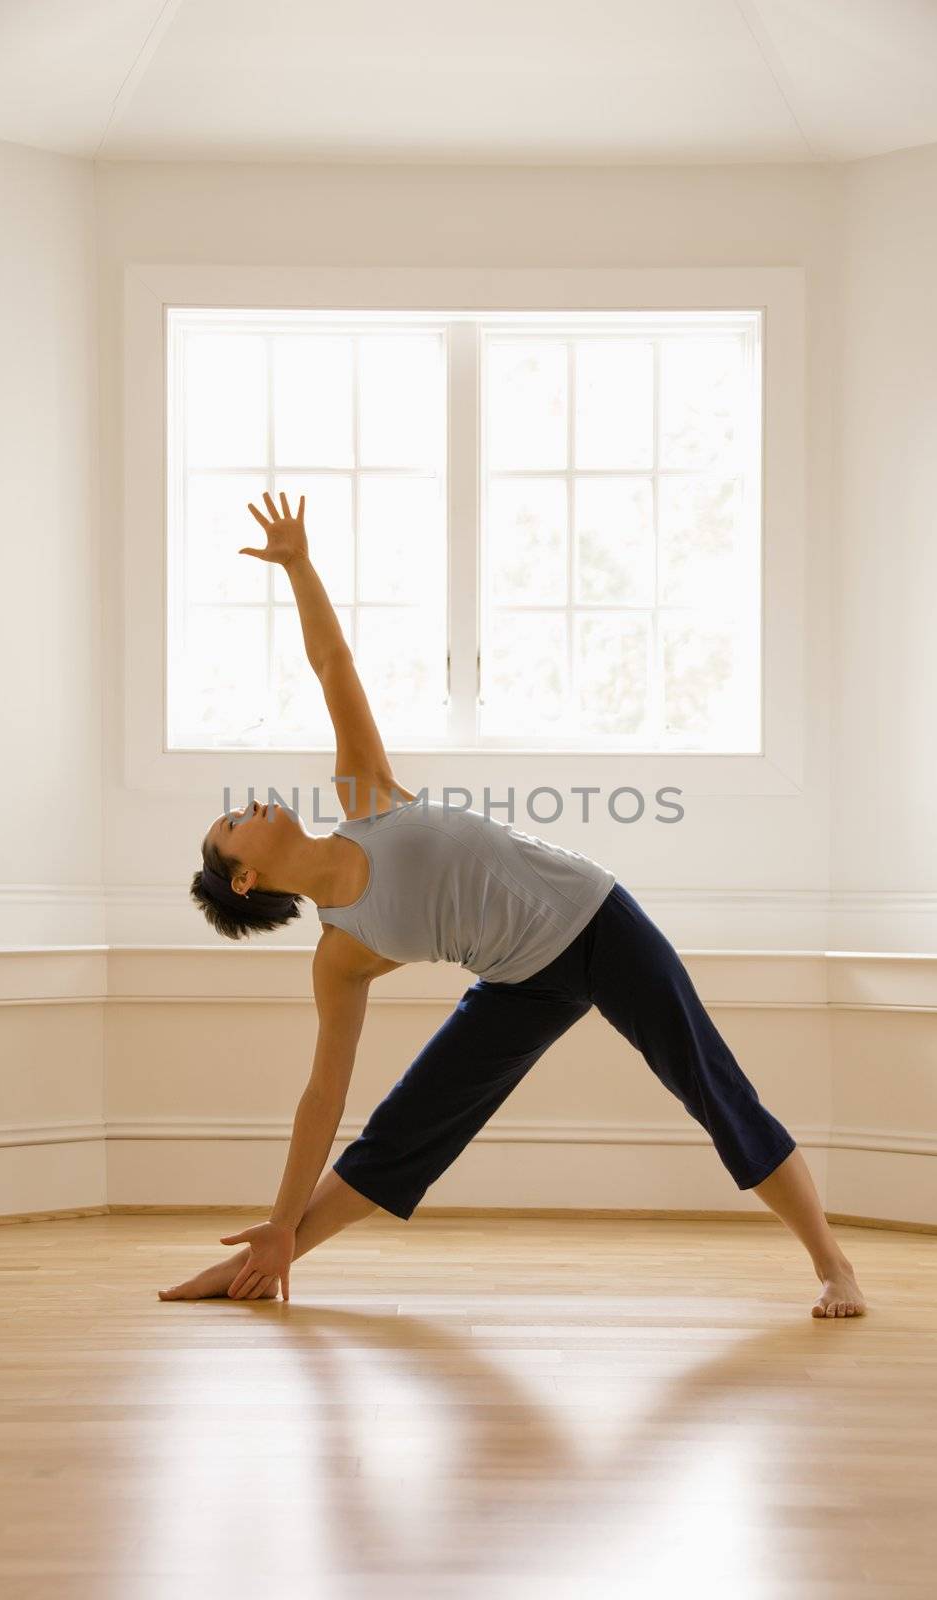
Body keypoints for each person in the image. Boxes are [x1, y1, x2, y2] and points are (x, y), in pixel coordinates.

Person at [161, 493, 866, 1320]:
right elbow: (323, 1096)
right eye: (234, 825)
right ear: (244, 880)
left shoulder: (365, 795)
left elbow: (333, 667)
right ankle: (270, 1258)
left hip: (598, 922)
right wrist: (280, 1218)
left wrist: (299, 567)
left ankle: (833, 1267)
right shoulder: (342, 951)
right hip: (520, 981)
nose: (249, 808)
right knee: (406, 1126)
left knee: (711, 1087)